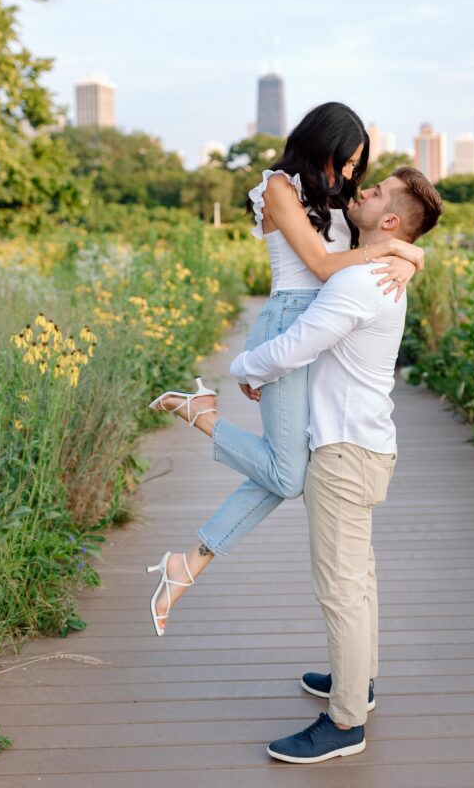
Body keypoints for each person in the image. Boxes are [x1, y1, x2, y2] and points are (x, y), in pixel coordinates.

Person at [159, 167, 443, 762]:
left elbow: (294, 348)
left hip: (343, 456)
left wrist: (244, 371)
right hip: (365, 446)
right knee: (358, 581)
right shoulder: (378, 273)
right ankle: (355, 684)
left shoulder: (361, 284)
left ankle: (344, 726)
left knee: (341, 590)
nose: (360, 191)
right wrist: (410, 254)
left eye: (374, 192)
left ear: (388, 221)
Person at [147, 103, 424, 634]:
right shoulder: (278, 187)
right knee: (288, 474)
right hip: (287, 324)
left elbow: (367, 246)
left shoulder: (336, 197)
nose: (349, 177)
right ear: (321, 145)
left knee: (285, 471)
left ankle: (187, 562)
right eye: (345, 164)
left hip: (319, 328)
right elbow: (321, 267)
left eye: (355, 169)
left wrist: (412, 257)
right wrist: (396, 250)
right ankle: (200, 420)